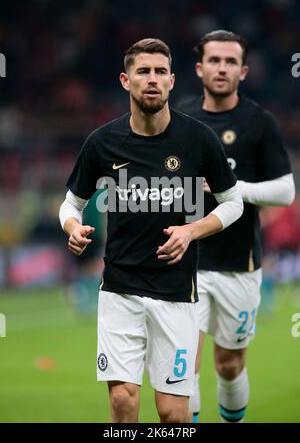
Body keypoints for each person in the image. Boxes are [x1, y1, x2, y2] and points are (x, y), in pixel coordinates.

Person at [59, 38, 243, 423]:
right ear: (126, 80)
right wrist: (72, 226)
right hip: (119, 292)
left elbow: (233, 203)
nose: (153, 79)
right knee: (123, 402)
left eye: (160, 71)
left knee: (173, 416)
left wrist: (193, 232)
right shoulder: (102, 143)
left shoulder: (197, 139)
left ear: (173, 81)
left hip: (176, 294)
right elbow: (70, 204)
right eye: (143, 71)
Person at [178, 30, 295, 423]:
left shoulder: (259, 122)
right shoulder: (181, 119)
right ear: (199, 68)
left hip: (238, 265)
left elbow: (285, 191)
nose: (222, 68)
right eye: (214, 60)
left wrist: (233, 189)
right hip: (186, 260)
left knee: (228, 364)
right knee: (182, 366)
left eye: (230, 62)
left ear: (243, 71)